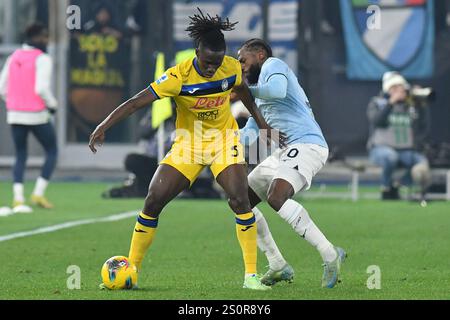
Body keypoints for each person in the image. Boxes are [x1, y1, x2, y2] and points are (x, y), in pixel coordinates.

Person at [89, 9, 284, 290]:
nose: (211, 68)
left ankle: (250, 277)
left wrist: (262, 124)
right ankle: (132, 268)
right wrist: (104, 125)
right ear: (196, 52)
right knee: (153, 200)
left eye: (216, 62)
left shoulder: (230, 67)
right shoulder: (177, 77)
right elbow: (135, 102)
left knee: (240, 200)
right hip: (188, 145)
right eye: (206, 62)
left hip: (223, 142)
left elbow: (242, 92)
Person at [237, 39, 346, 288]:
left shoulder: (274, 66)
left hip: (308, 145)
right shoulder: (258, 94)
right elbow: (250, 134)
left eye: (243, 59)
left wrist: (244, 90)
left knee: (277, 198)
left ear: (260, 55)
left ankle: (330, 254)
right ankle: (277, 264)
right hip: (285, 152)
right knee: (240, 201)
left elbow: (276, 90)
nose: (241, 65)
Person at [0, 22, 58, 212]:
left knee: (20, 155)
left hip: (15, 114)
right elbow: (40, 88)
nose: (47, 41)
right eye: (45, 37)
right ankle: (38, 193)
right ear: (38, 37)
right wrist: (52, 105)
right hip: (37, 114)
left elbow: (2, 88)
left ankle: (18, 198)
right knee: (51, 150)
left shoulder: (13, 57)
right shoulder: (43, 59)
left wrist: (14, 102)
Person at [367, 71, 431, 200]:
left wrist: (421, 104)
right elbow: (377, 121)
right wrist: (391, 103)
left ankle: (397, 185)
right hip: (380, 148)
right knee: (391, 157)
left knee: (421, 162)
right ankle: (385, 188)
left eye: (401, 88)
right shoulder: (377, 102)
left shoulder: (409, 106)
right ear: (388, 89)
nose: (400, 91)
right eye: (395, 88)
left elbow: (423, 126)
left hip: (405, 150)